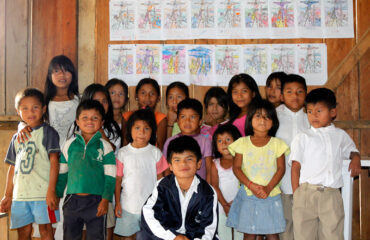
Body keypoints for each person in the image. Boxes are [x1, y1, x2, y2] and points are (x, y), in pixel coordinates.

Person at [290, 88, 361, 240]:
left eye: (319, 111)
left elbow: (352, 150)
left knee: (333, 235)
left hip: (331, 195)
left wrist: (356, 158)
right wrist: (297, 195)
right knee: (303, 235)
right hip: (306, 194)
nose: (313, 115)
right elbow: (295, 167)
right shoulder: (303, 137)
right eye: (309, 112)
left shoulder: (340, 135)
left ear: (333, 112)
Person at [0, 88, 60, 240]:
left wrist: (52, 191)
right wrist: (7, 195)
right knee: (23, 233)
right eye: (24, 108)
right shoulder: (17, 137)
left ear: (43, 109)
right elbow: (13, 168)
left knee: (46, 232)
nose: (30, 112)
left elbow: (54, 162)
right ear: (18, 111)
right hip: (20, 196)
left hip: (43, 194)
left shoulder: (49, 133)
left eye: (35, 107)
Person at [227, 99, 289, 240]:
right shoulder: (242, 143)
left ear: (273, 121)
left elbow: (281, 169)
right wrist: (251, 186)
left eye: (267, 116)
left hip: (271, 194)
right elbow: (236, 168)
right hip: (249, 194)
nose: (263, 119)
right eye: (258, 115)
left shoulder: (277, 144)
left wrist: (268, 188)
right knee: (249, 233)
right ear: (250, 119)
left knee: (272, 233)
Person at [56, 100, 116, 240]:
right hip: (72, 201)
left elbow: (110, 177)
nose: (90, 121)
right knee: (70, 236)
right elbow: (63, 172)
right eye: (85, 117)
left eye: (95, 118)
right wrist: (57, 193)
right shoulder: (69, 145)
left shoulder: (105, 147)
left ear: (101, 122)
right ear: (77, 121)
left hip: (97, 201)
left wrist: (105, 199)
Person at [139, 135, 219, 240]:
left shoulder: (208, 192)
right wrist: (173, 237)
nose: (183, 164)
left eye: (189, 159)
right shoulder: (163, 186)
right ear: (170, 166)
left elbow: (209, 228)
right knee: (142, 235)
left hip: (196, 237)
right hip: (169, 235)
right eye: (177, 160)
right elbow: (148, 212)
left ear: (198, 163)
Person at [114, 109, 169, 239]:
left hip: (150, 207)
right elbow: (118, 180)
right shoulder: (122, 153)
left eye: (146, 129)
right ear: (130, 130)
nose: (142, 132)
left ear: (152, 132)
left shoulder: (155, 152)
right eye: (137, 128)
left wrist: (161, 203)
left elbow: (161, 180)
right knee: (128, 237)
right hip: (128, 206)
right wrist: (117, 203)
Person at [275, 74, 309, 240]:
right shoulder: (273, 117)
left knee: (308, 230)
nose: (295, 96)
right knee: (286, 230)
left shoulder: (312, 117)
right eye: (289, 92)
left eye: (299, 91)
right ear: (281, 96)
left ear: (306, 94)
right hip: (282, 186)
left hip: (308, 186)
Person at [162, 98, 213, 183]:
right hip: (177, 189)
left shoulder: (205, 142)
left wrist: (208, 189)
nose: (187, 121)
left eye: (192, 117)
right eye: (183, 117)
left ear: (200, 121)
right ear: (177, 121)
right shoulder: (170, 142)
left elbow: (209, 169)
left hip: (200, 190)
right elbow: (166, 169)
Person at [210, 124, 243, 240]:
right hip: (222, 205)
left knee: (241, 234)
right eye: (219, 141)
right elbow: (214, 186)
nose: (224, 143)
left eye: (228, 139)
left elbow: (244, 184)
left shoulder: (242, 161)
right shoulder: (215, 164)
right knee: (224, 235)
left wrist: (237, 202)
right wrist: (224, 205)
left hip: (240, 204)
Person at [122, 78, 167, 150]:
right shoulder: (127, 116)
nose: (147, 97)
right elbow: (125, 143)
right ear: (136, 96)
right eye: (143, 93)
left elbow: (160, 145)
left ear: (158, 98)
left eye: (152, 94)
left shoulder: (161, 118)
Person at [79, 83, 122, 151]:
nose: (101, 105)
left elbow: (113, 151)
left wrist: (100, 130)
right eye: (96, 101)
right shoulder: (77, 125)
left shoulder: (112, 127)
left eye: (104, 101)